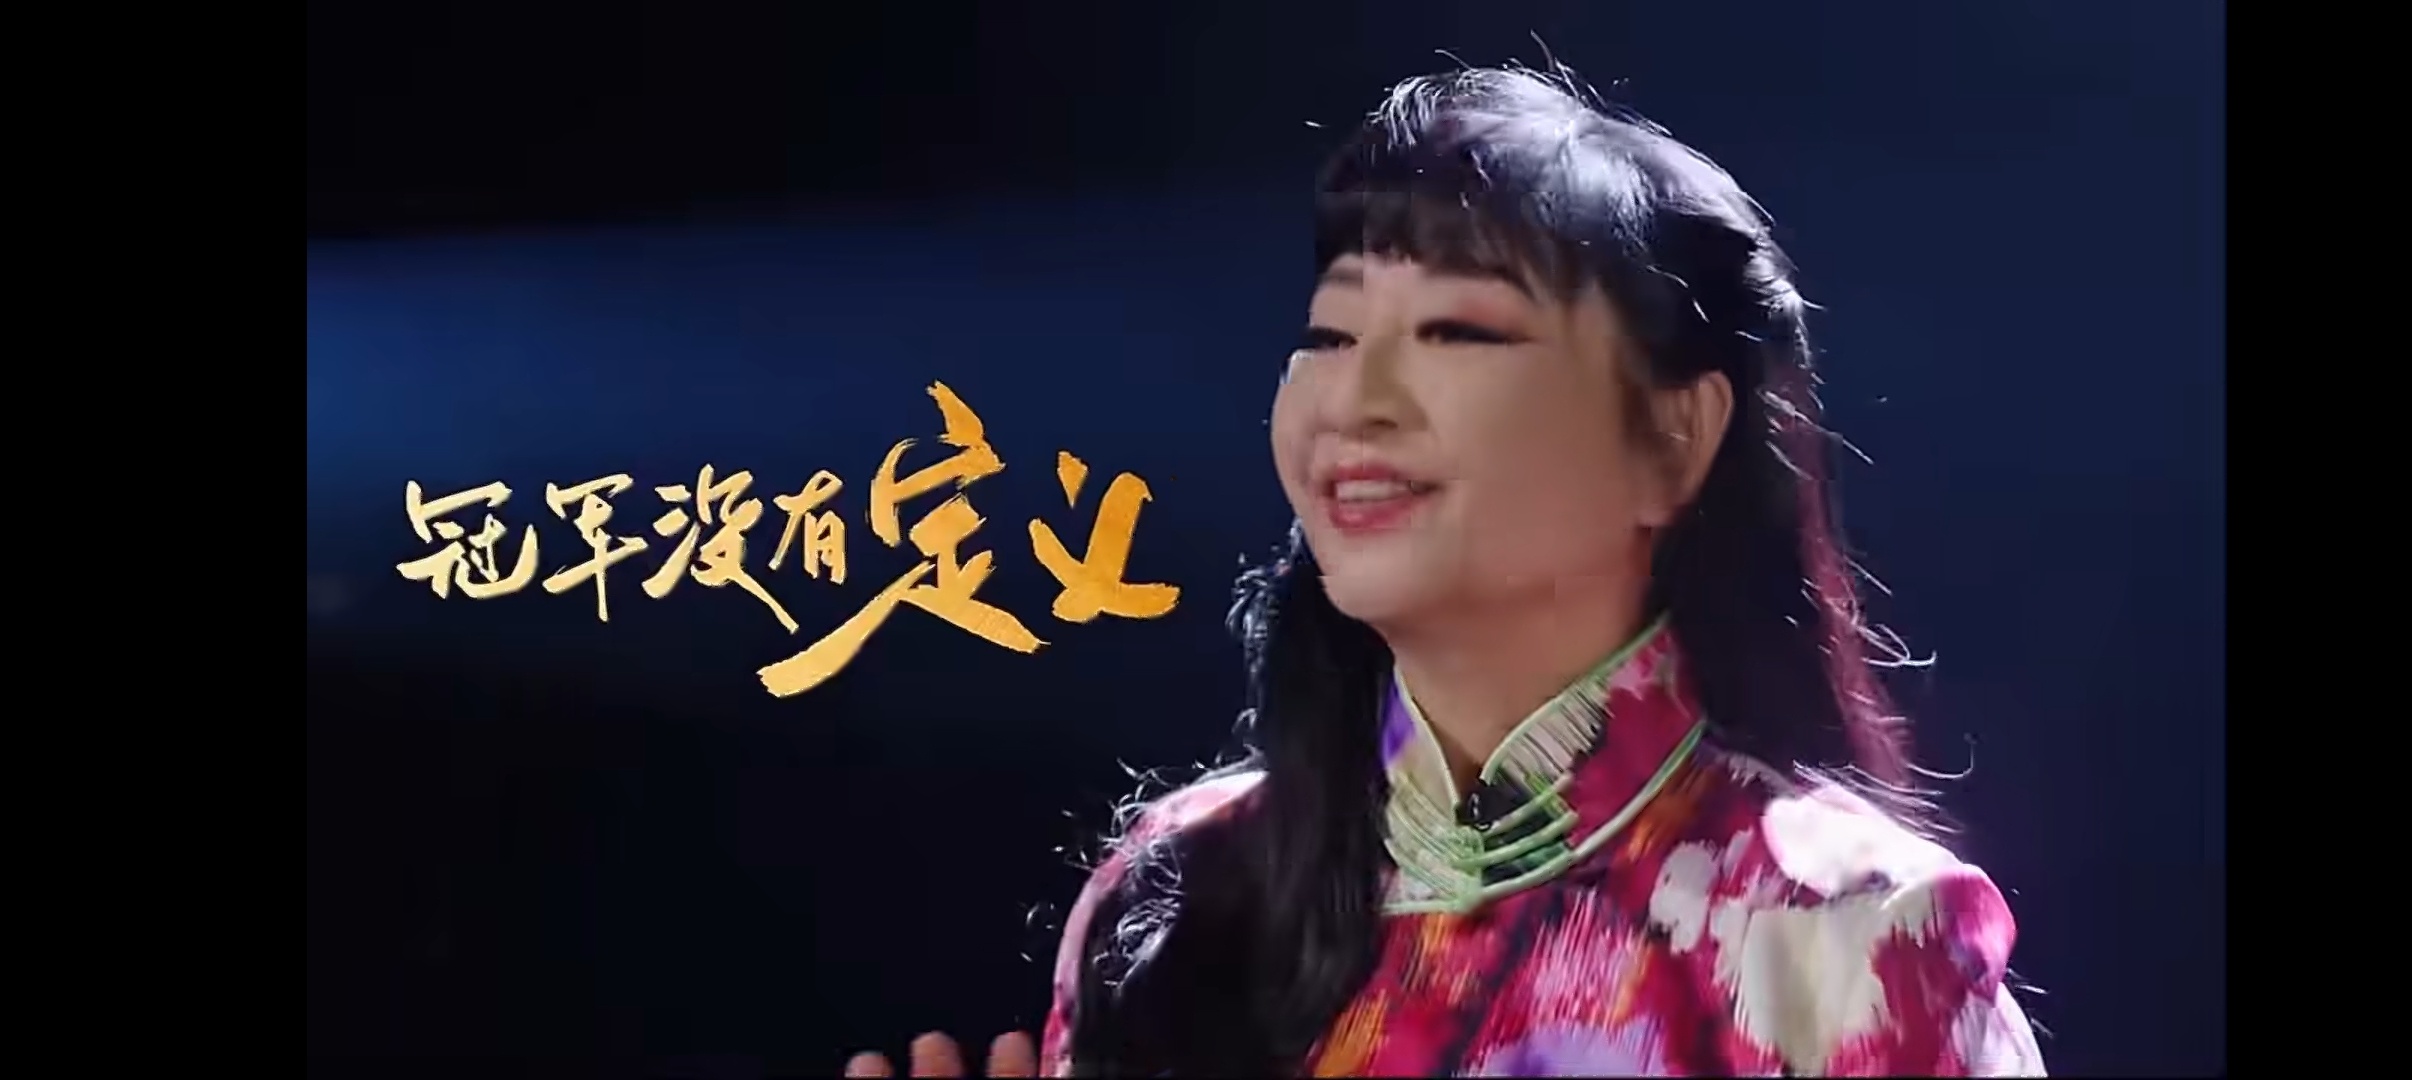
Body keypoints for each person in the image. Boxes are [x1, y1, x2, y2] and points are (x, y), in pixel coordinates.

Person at [844, 64, 2046, 1078]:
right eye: (1330, 334)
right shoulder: (1180, 891)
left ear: (1673, 439)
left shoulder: (1849, 937)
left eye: (1458, 332)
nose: (1354, 401)